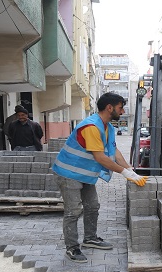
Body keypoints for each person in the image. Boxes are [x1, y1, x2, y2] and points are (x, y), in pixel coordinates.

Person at [52, 92, 148, 263]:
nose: (123, 110)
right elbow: (101, 158)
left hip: (84, 173)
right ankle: (72, 248)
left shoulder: (108, 127)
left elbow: (114, 151)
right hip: (68, 173)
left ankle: (90, 238)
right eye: (120, 107)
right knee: (73, 210)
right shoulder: (91, 127)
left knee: (92, 206)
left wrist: (129, 169)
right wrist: (125, 174)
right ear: (109, 108)